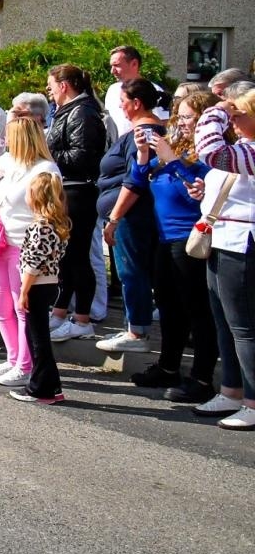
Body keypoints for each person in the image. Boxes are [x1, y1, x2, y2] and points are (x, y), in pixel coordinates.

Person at [129, 92, 217, 400]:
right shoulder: (175, 148)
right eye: (178, 116)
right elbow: (139, 180)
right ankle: (168, 366)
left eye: (188, 117)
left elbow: (194, 193)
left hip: (190, 238)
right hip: (164, 237)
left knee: (197, 310)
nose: (181, 123)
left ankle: (203, 379)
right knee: (168, 306)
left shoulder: (211, 154)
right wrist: (143, 154)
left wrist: (173, 161)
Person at [0, 118, 62, 389]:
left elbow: (51, 207)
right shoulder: (13, 165)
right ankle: (13, 356)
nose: (6, 141)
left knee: (22, 307)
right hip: (3, 242)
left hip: (26, 246)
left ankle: (25, 365)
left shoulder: (45, 168)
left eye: (11, 136)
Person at [193, 87, 255, 428]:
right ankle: (231, 390)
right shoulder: (243, 150)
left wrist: (216, 110)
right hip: (223, 241)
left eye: (239, 116)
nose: (233, 121)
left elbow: (210, 151)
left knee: (244, 328)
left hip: (244, 245)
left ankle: (253, 400)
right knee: (224, 323)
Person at [96, 79, 169, 354]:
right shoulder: (147, 131)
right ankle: (133, 325)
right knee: (135, 271)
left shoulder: (144, 133)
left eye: (123, 101)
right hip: (133, 215)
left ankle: (137, 331)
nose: (120, 106)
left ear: (136, 103)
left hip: (132, 216)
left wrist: (114, 218)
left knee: (132, 271)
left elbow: (135, 181)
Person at [45, 64, 106, 342]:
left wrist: (48, 152)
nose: (49, 91)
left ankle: (83, 319)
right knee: (65, 256)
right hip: (66, 189)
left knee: (78, 255)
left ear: (64, 85)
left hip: (80, 191)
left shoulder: (82, 112)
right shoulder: (69, 111)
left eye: (51, 85)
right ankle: (59, 312)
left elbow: (83, 157)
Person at [9, 172, 71, 405]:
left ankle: (40, 388)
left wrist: (24, 292)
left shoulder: (41, 227)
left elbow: (33, 262)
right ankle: (52, 385)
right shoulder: (56, 224)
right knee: (39, 335)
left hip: (37, 284)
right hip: (50, 282)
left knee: (37, 338)